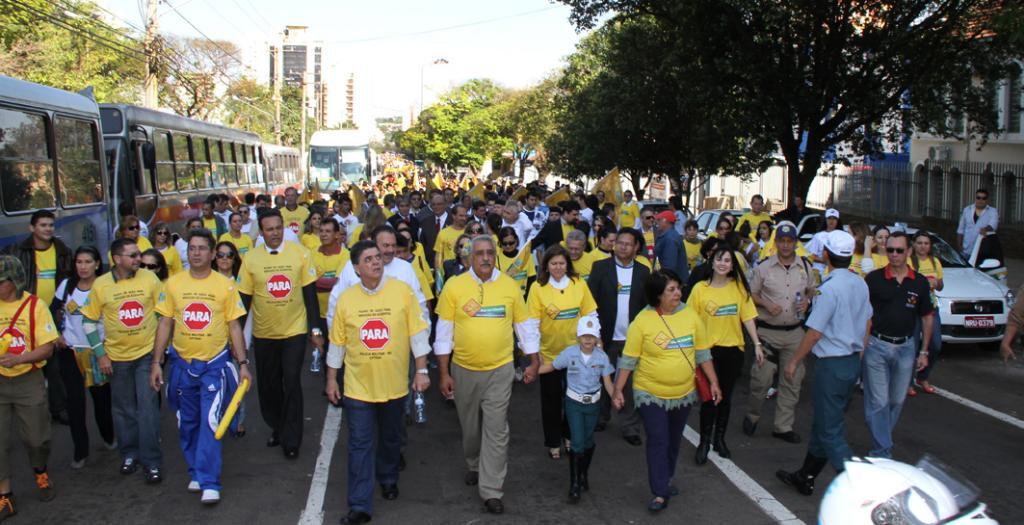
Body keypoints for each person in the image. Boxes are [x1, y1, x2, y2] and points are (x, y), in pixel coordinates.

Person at [325, 241, 431, 525]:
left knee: (390, 438)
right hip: (358, 386)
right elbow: (337, 343)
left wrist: (421, 370)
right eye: (368, 259)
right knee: (359, 444)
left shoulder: (401, 292)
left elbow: (417, 334)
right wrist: (332, 379)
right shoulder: (347, 299)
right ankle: (360, 505)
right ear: (357, 268)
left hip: (395, 384)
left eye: (377, 257)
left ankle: (387, 477)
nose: (376, 262)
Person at [433, 235, 540, 515]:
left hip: (500, 370)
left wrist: (533, 360)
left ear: (495, 256)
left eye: (489, 253)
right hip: (464, 370)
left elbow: (524, 325)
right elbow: (443, 333)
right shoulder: (455, 287)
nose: (485, 258)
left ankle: (491, 489)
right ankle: (472, 462)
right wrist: (443, 373)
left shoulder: (510, 287)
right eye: (479, 253)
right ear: (469, 257)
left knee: (496, 428)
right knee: (470, 427)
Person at [150, 228, 251, 505]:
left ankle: (209, 480)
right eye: (192, 248)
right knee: (188, 423)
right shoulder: (172, 284)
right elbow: (165, 324)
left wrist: (242, 363)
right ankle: (195, 470)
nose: (196, 253)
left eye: (202, 248)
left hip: (214, 368)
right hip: (182, 368)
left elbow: (234, 326)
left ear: (212, 252)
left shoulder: (225, 286)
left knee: (210, 422)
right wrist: (157, 363)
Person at [613, 269, 722, 512]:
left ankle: (666, 478)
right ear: (657, 295)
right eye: (671, 290)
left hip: (683, 394)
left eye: (678, 288)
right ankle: (660, 491)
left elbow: (703, 354)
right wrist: (618, 390)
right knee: (658, 439)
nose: (678, 293)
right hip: (649, 392)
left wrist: (714, 382)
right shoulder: (642, 321)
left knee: (673, 442)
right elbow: (629, 360)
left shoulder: (691, 316)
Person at [777, 230, 871, 496]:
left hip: (832, 364)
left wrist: (794, 361)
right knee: (825, 423)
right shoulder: (860, 283)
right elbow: (868, 321)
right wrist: (859, 354)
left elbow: (815, 332)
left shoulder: (829, 289)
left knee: (830, 431)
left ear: (827, 255)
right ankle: (805, 475)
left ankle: (864, 488)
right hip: (851, 361)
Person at [237, 209, 321, 459]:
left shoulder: (301, 254)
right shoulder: (251, 259)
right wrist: (236, 335)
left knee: (292, 381)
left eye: (278, 227)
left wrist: (315, 330)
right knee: (269, 386)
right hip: (264, 334)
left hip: (294, 330)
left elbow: (310, 297)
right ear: (261, 232)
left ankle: (292, 438)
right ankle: (278, 426)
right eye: (269, 229)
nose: (275, 233)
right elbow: (243, 299)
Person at [81, 238, 165, 483]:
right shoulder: (101, 285)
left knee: (148, 409)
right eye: (133, 255)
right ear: (117, 259)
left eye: (138, 254)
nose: (139, 259)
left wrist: (160, 356)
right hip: (116, 360)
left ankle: (152, 462)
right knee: (123, 410)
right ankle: (129, 454)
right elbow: (88, 321)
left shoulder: (149, 279)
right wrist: (101, 354)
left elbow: (164, 314)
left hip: (147, 357)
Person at [686, 245, 761, 464]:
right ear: (712, 261)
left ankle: (719, 439)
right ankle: (704, 441)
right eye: (719, 259)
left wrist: (756, 343)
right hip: (707, 353)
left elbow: (748, 318)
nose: (722, 264)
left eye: (727, 260)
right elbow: (690, 321)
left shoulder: (739, 288)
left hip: (733, 351)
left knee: (726, 398)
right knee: (709, 399)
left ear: (732, 265)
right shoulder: (700, 289)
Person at [862, 231, 933, 459]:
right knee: (878, 401)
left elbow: (927, 317)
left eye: (899, 250)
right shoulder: (873, 279)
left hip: (906, 348)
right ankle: (882, 451)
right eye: (890, 249)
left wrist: (924, 351)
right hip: (877, 345)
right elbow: (864, 315)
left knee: (896, 400)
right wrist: (861, 348)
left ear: (908, 252)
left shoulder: (920, 282)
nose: (893, 254)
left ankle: (881, 441)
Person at [743, 223, 815, 443]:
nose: (785, 245)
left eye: (790, 241)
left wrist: (809, 302)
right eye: (782, 241)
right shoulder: (764, 267)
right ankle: (753, 414)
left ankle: (783, 427)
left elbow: (811, 290)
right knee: (761, 379)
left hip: (794, 332)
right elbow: (750, 294)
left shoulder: (805, 266)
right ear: (776, 243)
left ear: (795, 243)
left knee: (792, 381)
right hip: (768, 332)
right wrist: (765, 302)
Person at [0, 256, 59, 518]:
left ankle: (40, 471)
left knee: (36, 437)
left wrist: (19, 359)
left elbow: (48, 347)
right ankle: (5, 495)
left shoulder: (35, 306)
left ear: (13, 281)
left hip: (28, 379)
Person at [526, 245, 598, 460]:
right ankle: (553, 442)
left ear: (568, 265)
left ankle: (569, 436)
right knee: (551, 400)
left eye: (562, 263)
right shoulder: (538, 288)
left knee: (574, 398)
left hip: (576, 354)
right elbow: (531, 323)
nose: (558, 267)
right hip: (549, 355)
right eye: (553, 263)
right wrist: (534, 352)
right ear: (546, 265)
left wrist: (593, 341)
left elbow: (590, 314)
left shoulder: (579, 284)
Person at [3, 210, 72, 427]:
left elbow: (69, 283)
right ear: (32, 228)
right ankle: (24, 406)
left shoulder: (63, 251)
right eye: (43, 225)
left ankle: (57, 409)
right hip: (22, 312)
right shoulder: (15, 251)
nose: (48, 229)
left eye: (51, 225)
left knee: (53, 364)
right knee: (24, 356)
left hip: (50, 313)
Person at [51, 246, 116, 469]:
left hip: (98, 352)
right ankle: (80, 450)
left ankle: (108, 437)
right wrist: (57, 334)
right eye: (79, 262)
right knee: (75, 403)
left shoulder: (106, 285)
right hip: (71, 351)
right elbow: (52, 311)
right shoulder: (66, 286)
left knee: (101, 400)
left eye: (88, 262)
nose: (83, 266)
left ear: (97, 264)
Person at [537, 316, 613, 502]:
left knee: (588, 441)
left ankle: (583, 474)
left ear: (597, 338)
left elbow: (607, 382)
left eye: (591, 336)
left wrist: (616, 395)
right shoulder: (569, 354)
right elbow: (552, 366)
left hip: (593, 405)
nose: (587, 339)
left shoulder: (602, 357)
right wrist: (532, 371)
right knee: (577, 441)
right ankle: (574, 485)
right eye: (584, 336)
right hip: (574, 404)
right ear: (578, 337)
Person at [586, 228, 649, 443]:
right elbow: (589, 302)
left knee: (631, 385)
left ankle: (630, 426)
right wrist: (593, 333)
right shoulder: (600, 268)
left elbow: (646, 307)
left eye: (628, 244)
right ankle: (600, 417)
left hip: (631, 338)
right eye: (619, 242)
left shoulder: (643, 272)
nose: (622, 247)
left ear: (636, 247)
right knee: (602, 378)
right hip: (605, 337)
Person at [908, 231, 944, 396]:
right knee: (912, 345)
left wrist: (936, 283)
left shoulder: (935, 261)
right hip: (913, 309)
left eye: (926, 243)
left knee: (935, 344)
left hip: (931, 308)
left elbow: (941, 285)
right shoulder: (909, 261)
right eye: (920, 243)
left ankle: (923, 376)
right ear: (914, 245)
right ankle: (907, 381)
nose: (923, 246)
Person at [957, 188, 998, 258]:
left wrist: (985, 229)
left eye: (983, 198)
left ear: (987, 200)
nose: (980, 200)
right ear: (975, 198)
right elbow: (960, 230)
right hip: (966, 251)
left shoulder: (992, 211)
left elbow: (993, 224)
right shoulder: (967, 210)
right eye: (978, 198)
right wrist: (959, 246)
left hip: (981, 252)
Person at [416, 192, 451, 270]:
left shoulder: (453, 221)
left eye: (439, 204)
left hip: (450, 267)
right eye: (434, 204)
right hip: (431, 266)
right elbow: (422, 245)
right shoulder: (425, 222)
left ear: (445, 205)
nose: (436, 207)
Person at [653, 210, 689, 283]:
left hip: (671, 283)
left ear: (665, 221)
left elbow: (669, 267)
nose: (657, 222)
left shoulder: (670, 239)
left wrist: (664, 283)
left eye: (659, 220)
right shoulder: (669, 236)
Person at [495, 227, 534, 296]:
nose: (508, 246)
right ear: (500, 243)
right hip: (505, 296)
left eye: (511, 243)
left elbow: (531, 278)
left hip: (523, 296)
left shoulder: (526, 256)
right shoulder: (496, 259)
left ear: (516, 241)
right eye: (504, 243)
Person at [433, 204, 469, 269]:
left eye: (465, 216)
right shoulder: (443, 233)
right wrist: (438, 275)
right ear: (453, 216)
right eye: (461, 216)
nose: (464, 218)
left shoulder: (470, 232)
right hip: (448, 272)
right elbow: (438, 256)